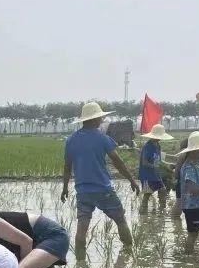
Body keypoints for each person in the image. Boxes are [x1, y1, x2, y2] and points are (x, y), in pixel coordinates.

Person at [60, 101, 140, 249]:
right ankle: (129, 252)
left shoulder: (71, 140)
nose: (102, 120)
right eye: (100, 118)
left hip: (83, 191)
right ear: (95, 119)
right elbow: (118, 162)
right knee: (120, 220)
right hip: (103, 190)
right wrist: (132, 180)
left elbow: (67, 167)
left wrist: (65, 188)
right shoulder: (102, 138)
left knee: (82, 228)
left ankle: (80, 263)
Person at [138, 124, 173, 211]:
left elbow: (159, 161)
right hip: (146, 175)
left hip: (156, 174)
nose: (159, 138)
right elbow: (144, 162)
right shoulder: (147, 146)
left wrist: (168, 166)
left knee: (163, 190)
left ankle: (162, 210)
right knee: (147, 194)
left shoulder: (158, 145)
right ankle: (143, 213)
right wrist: (154, 166)